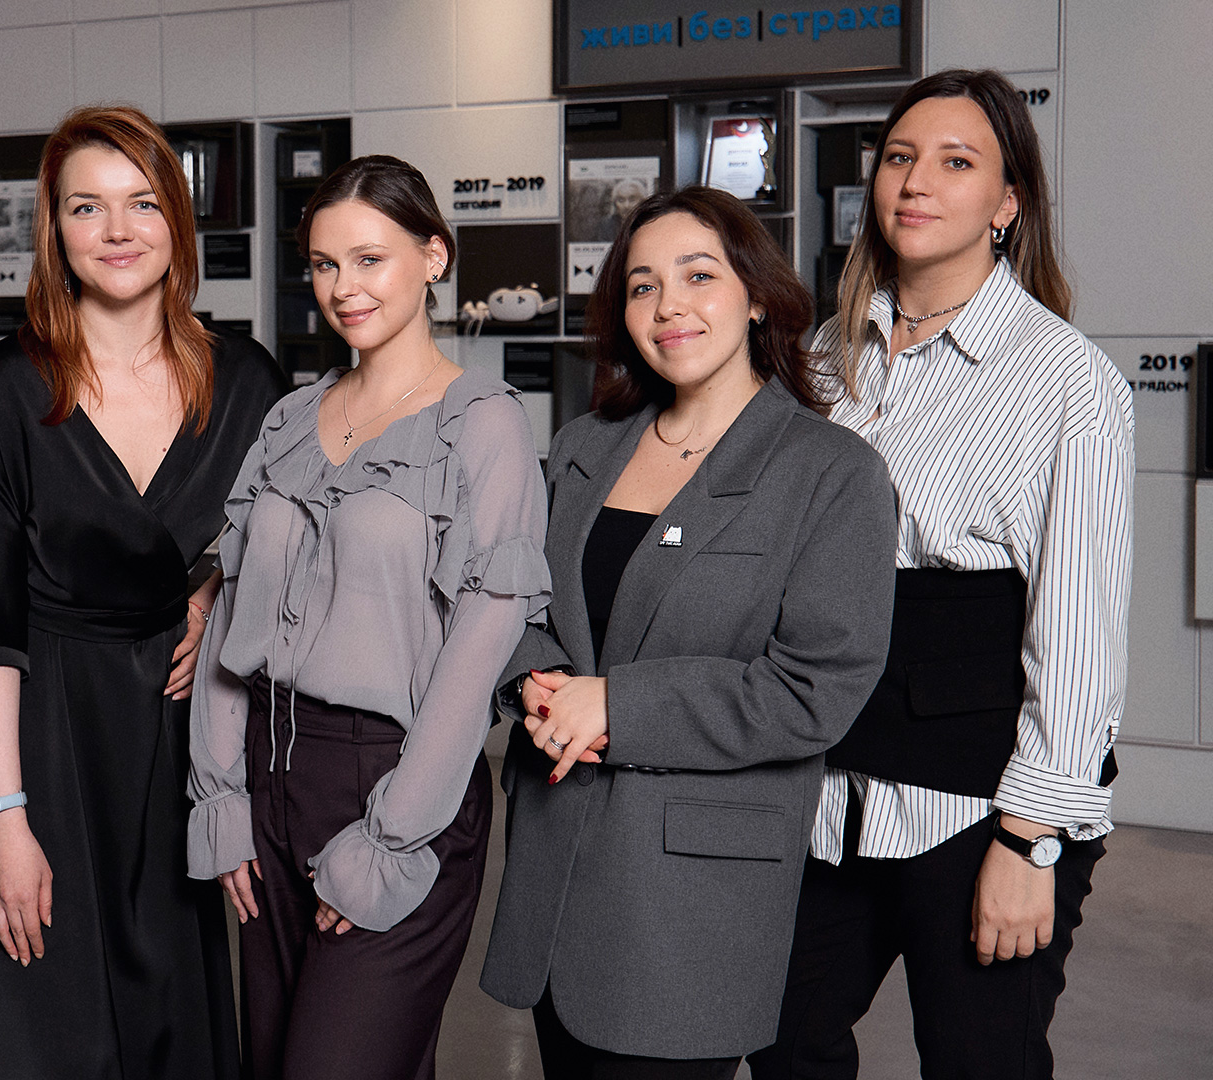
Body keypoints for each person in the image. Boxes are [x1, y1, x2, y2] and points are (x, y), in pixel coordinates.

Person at [746, 69, 1135, 1080]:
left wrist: (1031, 841)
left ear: (1008, 203)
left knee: (978, 1062)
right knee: (779, 1043)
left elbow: (1079, 635)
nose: (917, 182)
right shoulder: (823, 360)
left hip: (978, 802)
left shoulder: (1065, 379)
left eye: (957, 162)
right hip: (829, 789)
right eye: (901, 158)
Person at [0, 105, 285, 1080]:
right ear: (55, 230)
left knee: (160, 1029)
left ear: (178, 221)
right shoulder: (3, 389)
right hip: (30, 739)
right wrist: (3, 818)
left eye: (142, 203)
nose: (117, 230)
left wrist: (215, 589)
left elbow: (297, 543)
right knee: (33, 1027)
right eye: (86, 207)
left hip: (167, 739)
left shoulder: (247, 383)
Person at [477, 186, 898, 1078]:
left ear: (756, 297)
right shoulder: (582, 447)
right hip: (555, 867)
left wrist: (615, 707)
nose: (669, 305)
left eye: (698, 276)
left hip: (686, 901)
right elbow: (519, 603)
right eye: (643, 286)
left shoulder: (830, 473)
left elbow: (813, 690)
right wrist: (533, 682)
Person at [186, 155, 550, 1079]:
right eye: (323, 264)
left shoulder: (485, 425)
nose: (343, 287)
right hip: (270, 776)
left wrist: (391, 836)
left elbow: (477, 655)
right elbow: (233, 620)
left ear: (434, 256)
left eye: (369, 259)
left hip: (397, 785)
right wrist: (221, 796)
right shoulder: (288, 419)